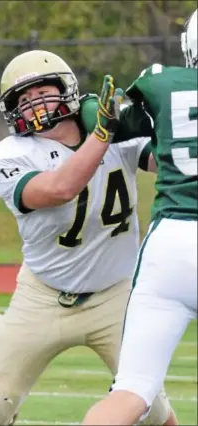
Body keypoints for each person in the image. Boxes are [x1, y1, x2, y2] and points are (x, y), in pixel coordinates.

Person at [0, 50, 177, 425]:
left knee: (154, 412)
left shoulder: (116, 133)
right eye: (24, 100)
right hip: (42, 295)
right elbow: (59, 189)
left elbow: (168, 161)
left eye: (41, 92)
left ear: (66, 91)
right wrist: (103, 134)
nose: (34, 104)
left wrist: (166, 118)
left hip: (115, 295)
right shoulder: (7, 155)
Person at [82, 9, 197, 426]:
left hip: (172, 244)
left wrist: (92, 106)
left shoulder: (162, 83)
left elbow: (110, 120)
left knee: (132, 388)